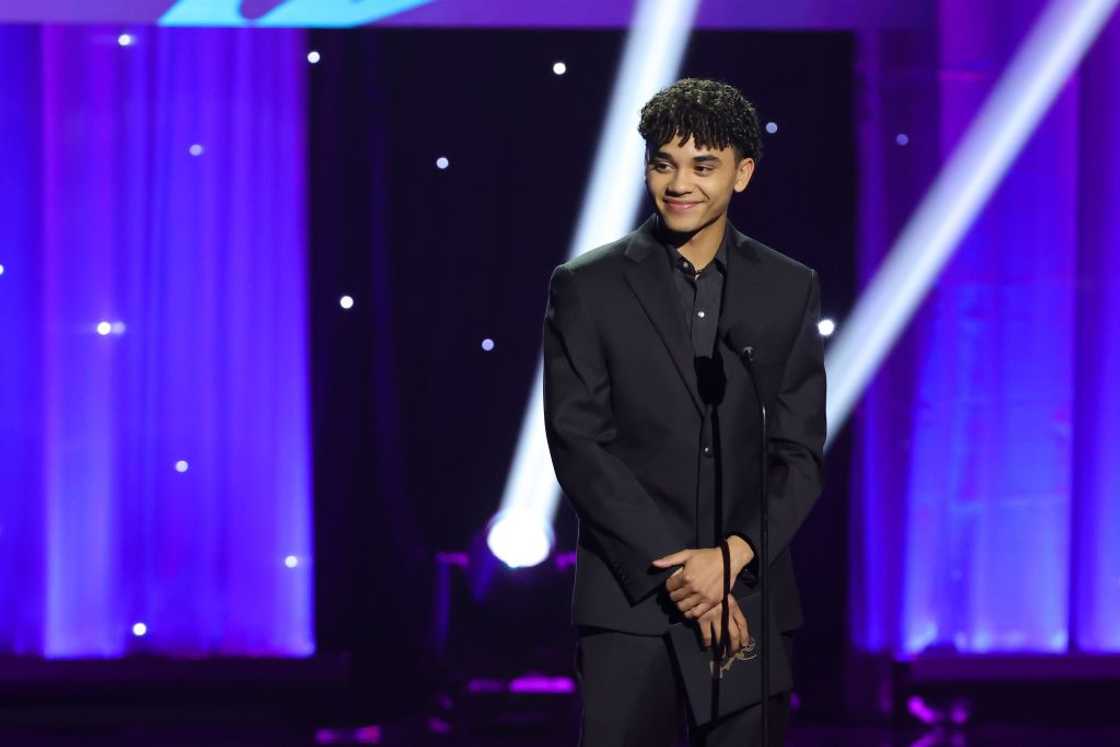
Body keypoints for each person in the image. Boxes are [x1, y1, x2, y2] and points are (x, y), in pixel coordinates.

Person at [542, 78, 827, 746]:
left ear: (742, 172)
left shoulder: (788, 287)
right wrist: (685, 574)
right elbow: (579, 441)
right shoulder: (587, 286)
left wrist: (729, 558)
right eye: (664, 163)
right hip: (631, 601)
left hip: (748, 599)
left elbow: (800, 454)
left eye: (703, 166)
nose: (680, 183)